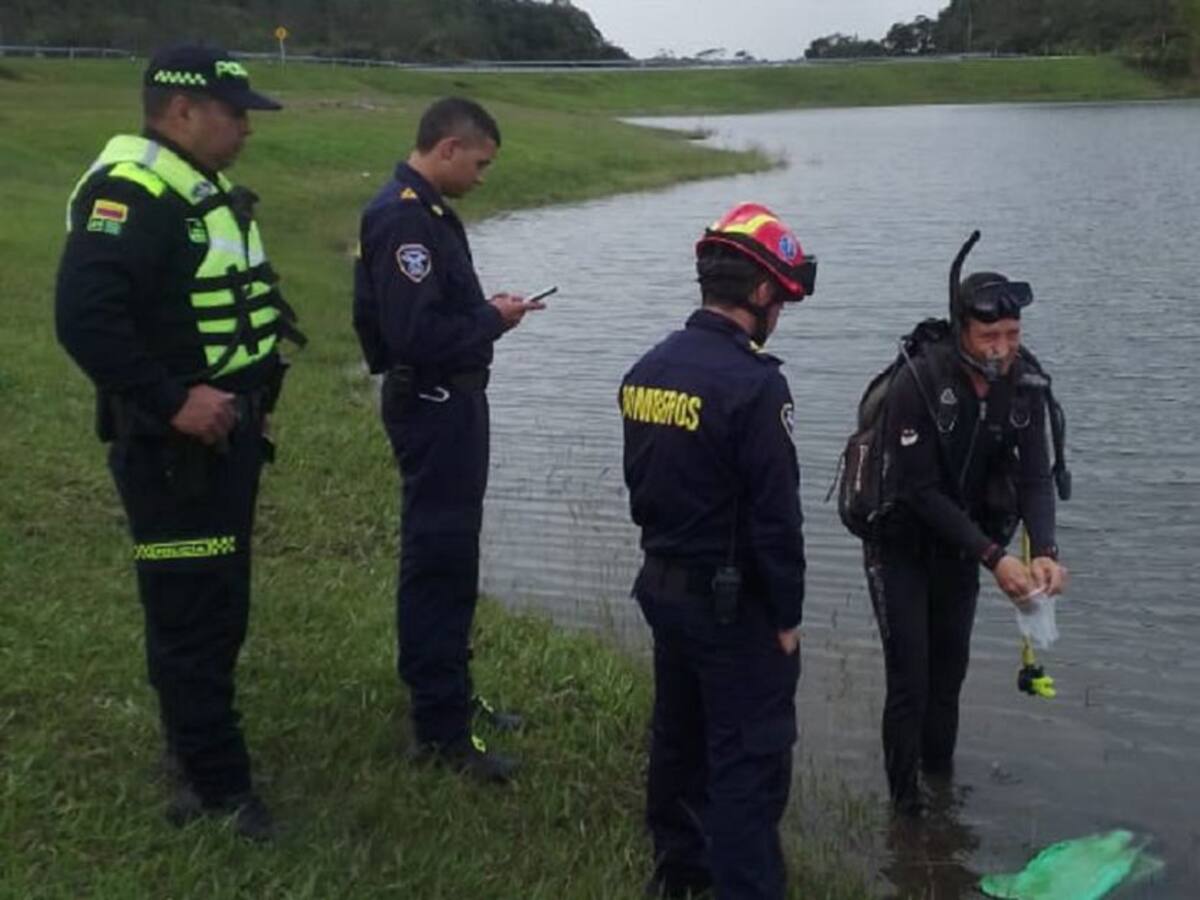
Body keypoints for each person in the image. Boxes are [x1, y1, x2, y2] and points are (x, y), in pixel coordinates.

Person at [55, 46, 303, 840]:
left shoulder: (201, 193)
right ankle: (219, 793)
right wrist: (171, 402)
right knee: (190, 614)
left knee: (218, 605)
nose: (245, 130)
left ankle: (194, 752)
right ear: (182, 111)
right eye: (236, 115)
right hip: (171, 452)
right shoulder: (130, 196)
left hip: (224, 439)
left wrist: (256, 402)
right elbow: (85, 319)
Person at [620, 203, 816, 900]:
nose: (782, 312)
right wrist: (787, 617)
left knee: (679, 741)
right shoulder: (757, 388)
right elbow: (776, 522)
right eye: (783, 298)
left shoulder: (647, 370)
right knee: (748, 766)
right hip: (736, 610)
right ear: (762, 293)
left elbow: (641, 484)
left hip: (664, 588)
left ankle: (678, 879)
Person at [353, 97, 541, 782]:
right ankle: (439, 731)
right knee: (438, 558)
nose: (483, 177)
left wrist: (489, 313)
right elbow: (414, 336)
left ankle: (451, 696)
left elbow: (435, 316)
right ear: (449, 148)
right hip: (433, 406)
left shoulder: (425, 211)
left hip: (451, 404)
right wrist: (490, 323)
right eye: (481, 163)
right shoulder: (403, 217)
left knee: (453, 556)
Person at [862, 243, 1069, 817]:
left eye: (1011, 333)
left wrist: (1045, 550)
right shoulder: (919, 384)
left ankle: (941, 794)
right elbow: (918, 491)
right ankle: (905, 817)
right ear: (961, 331)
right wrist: (995, 556)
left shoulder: (1025, 382)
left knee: (948, 675)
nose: (1003, 349)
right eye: (989, 337)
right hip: (899, 545)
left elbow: (1035, 479)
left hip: (965, 552)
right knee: (911, 679)